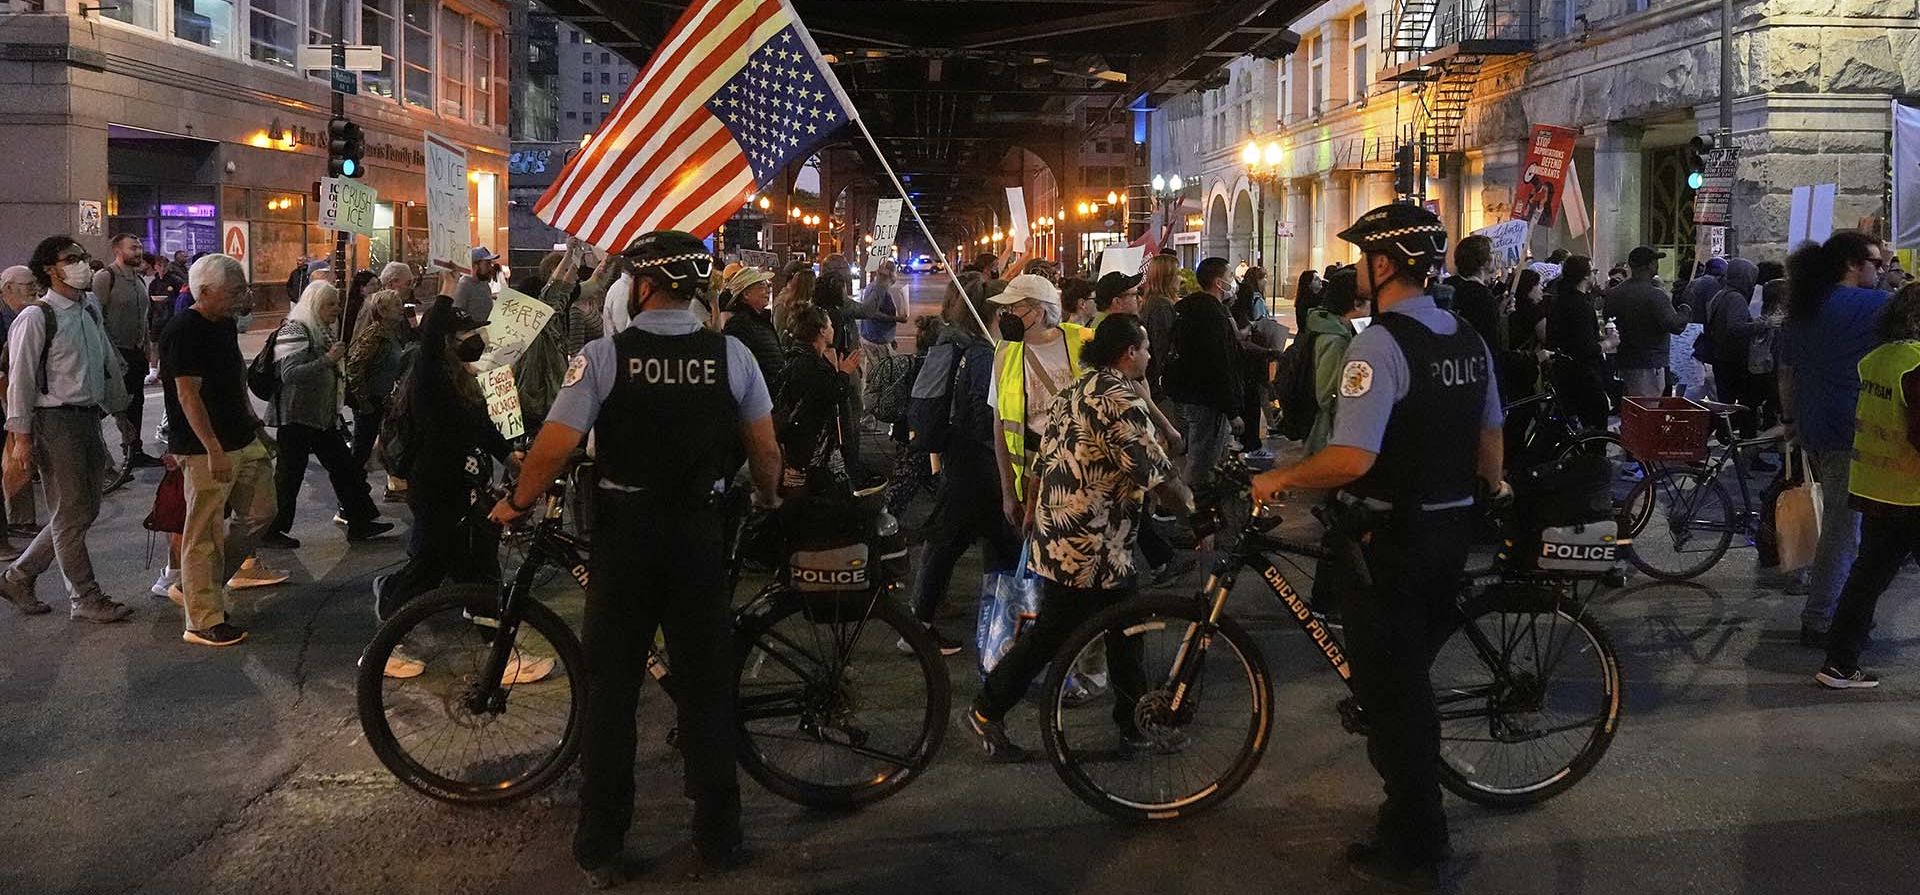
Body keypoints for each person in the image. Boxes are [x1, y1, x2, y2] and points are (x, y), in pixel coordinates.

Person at [486, 230, 781, 889]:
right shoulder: (732, 355)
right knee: (706, 687)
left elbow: (554, 446)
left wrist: (517, 501)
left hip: (626, 536)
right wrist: (763, 498)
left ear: (643, 286)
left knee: (611, 690)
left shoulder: (603, 356)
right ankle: (718, 836)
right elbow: (765, 452)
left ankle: (601, 844)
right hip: (698, 534)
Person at [1251, 204, 1504, 890]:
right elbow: (1490, 440)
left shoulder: (1380, 346)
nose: (1355, 269)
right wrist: (1492, 487)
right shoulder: (1469, 338)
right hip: (1449, 533)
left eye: (1363, 257)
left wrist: (1280, 476)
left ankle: (1420, 839)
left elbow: (1352, 458)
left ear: (1385, 264)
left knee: (1395, 698)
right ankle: (1407, 818)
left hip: (1389, 540)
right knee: (1404, 680)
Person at [965, 314, 1196, 761]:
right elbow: (1156, 475)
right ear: (1129, 353)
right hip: (1089, 546)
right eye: (1145, 348)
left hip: (1068, 536)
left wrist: (1030, 508)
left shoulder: (1076, 389)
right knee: (1056, 635)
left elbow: (1041, 460)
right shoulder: (1115, 399)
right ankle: (985, 710)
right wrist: (1194, 509)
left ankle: (1133, 722)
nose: (1149, 355)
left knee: (1124, 628)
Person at [0, 237, 131, 621]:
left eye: (84, 258)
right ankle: (85, 597)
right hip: (55, 422)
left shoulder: (88, 307)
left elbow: (104, 360)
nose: (82, 265)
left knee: (80, 511)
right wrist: (21, 438)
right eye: (71, 259)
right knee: (72, 513)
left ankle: (18, 575)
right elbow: (20, 381)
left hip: (88, 417)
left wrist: (120, 412)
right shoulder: (36, 316)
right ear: (49, 269)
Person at [372, 298, 521, 629]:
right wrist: (447, 290)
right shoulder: (429, 374)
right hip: (436, 486)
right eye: (466, 332)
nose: (475, 339)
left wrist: (509, 459)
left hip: (464, 484)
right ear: (445, 339)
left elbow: (481, 426)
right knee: (431, 565)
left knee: (476, 561)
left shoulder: (464, 378)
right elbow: (430, 334)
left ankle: (493, 639)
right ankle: (384, 647)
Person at [161, 254, 281, 647]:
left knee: (263, 511)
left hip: (242, 437)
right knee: (203, 532)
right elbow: (187, 394)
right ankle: (203, 619)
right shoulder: (183, 329)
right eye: (234, 292)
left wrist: (253, 421)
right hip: (202, 447)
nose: (241, 298)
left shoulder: (224, 325)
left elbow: (234, 379)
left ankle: (199, 586)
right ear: (206, 291)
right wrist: (211, 447)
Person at [1781, 231, 1891, 644]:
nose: (1880, 272)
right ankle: (1822, 616)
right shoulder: (1873, 306)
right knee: (1844, 529)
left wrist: (1790, 420)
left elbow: (1787, 372)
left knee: (1841, 523)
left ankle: (1839, 607)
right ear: (1851, 263)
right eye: (1875, 263)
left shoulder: (1804, 306)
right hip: (1852, 426)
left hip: (1814, 425)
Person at [1812, 283, 1920, 687]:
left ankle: (1839, 663)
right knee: (1869, 577)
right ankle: (1840, 662)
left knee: (1867, 578)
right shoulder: (1916, 364)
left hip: (1877, 489)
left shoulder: (1876, 360)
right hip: (1913, 492)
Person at [907, 276, 1015, 652]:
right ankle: (919, 629)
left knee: (986, 540)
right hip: (975, 461)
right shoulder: (984, 353)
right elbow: (980, 414)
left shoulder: (966, 342)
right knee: (951, 541)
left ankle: (1001, 623)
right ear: (997, 311)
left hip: (963, 457)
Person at [262, 281, 392, 546]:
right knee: (289, 477)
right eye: (330, 304)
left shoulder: (321, 330)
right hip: (297, 417)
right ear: (314, 304)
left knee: (344, 469)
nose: (336, 309)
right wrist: (329, 359)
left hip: (320, 418)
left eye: (337, 303)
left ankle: (360, 521)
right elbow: (290, 374)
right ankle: (270, 530)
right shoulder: (296, 330)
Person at [987, 274, 1091, 532]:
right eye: (1005, 309)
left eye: (1014, 308)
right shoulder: (1003, 354)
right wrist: (1008, 491)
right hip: (1032, 475)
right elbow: (999, 425)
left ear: (1039, 311)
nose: (1006, 315)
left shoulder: (1087, 342)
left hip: (1085, 470)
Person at [1165, 257, 1244, 486]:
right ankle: (1191, 513)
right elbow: (1219, 363)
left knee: (1204, 457)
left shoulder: (1191, 309)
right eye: (1230, 277)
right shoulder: (1212, 315)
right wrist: (1232, 410)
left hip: (1195, 395)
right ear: (1219, 283)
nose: (1233, 282)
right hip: (1208, 400)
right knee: (1202, 461)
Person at [94, 233, 163, 471]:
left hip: (135, 353)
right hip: (115, 354)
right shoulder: (105, 277)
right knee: (109, 405)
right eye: (133, 247)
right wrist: (110, 353)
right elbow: (97, 318)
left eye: (140, 247)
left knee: (136, 403)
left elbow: (143, 318)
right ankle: (95, 454)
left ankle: (134, 451)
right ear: (117, 250)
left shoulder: (138, 279)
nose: (139, 251)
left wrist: (145, 348)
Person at [774, 306, 860, 493]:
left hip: (811, 446)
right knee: (810, 495)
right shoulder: (808, 364)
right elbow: (827, 395)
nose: (832, 329)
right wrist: (844, 374)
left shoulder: (801, 357)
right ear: (821, 331)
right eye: (829, 325)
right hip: (811, 446)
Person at [1603, 246, 1688, 399]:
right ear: (1649, 265)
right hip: (1649, 364)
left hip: (1623, 361)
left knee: (1631, 409)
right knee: (1646, 410)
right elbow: (1675, 325)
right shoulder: (1654, 295)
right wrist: (1685, 309)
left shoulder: (1614, 294)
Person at [345, 287, 412, 477]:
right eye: (396, 306)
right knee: (361, 450)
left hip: (385, 400)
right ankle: (351, 491)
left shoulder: (393, 333)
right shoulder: (374, 335)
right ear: (382, 311)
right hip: (372, 401)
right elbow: (355, 367)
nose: (401, 309)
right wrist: (363, 402)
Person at [0, 266, 43, 558]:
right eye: (26, 285)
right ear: (7, 288)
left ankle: (21, 520)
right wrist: (10, 409)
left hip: (15, 399)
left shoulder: (24, 314)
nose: (33, 290)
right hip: (7, 399)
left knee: (18, 461)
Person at [1701, 258, 1768, 437]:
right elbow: (1735, 327)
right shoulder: (1736, 298)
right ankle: (1747, 444)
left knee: (1726, 400)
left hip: (1720, 356)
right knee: (1747, 404)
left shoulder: (1720, 294)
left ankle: (1724, 433)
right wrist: (1763, 325)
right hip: (1734, 358)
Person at [1305, 268, 1368, 453]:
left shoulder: (1331, 328)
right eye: (1368, 303)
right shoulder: (1335, 340)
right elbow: (1327, 397)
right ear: (1356, 303)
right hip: (1328, 436)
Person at [1544, 255, 1609, 431]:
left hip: (1563, 373)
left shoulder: (1559, 301)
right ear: (1585, 276)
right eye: (1593, 271)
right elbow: (1586, 347)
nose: (1595, 275)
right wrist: (1609, 343)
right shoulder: (1580, 305)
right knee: (1596, 421)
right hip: (1583, 375)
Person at [721, 267, 781, 388]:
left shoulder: (760, 321)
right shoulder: (739, 325)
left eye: (767, 285)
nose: (767, 290)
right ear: (746, 294)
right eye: (761, 286)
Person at [1444, 236, 1502, 351]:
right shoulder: (1482, 296)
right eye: (1492, 252)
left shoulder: (1449, 287)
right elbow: (1492, 347)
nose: (1495, 256)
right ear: (1483, 262)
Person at [1139, 254, 1182, 399]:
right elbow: (1162, 348)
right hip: (1160, 389)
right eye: (1178, 274)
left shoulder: (1152, 302)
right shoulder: (1161, 306)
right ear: (1167, 278)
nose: (1181, 279)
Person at [453, 246, 502, 323]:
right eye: (487, 264)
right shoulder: (463, 286)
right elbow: (456, 318)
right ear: (475, 265)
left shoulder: (484, 283)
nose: (490, 268)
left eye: (490, 264)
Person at [1295, 268, 1326, 335]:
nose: (1320, 280)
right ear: (1308, 284)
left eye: (1319, 278)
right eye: (1316, 279)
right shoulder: (1305, 302)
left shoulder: (1322, 297)